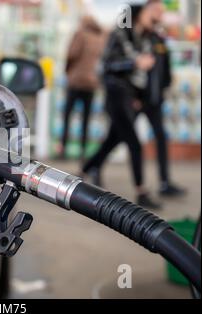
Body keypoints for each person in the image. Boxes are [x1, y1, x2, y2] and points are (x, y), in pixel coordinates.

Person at [82, 0, 186, 198]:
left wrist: (153, 89)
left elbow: (158, 70)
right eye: (154, 12)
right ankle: (140, 190)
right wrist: (134, 63)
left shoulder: (150, 37)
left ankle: (86, 171)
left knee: (118, 140)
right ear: (140, 12)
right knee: (127, 142)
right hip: (121, 96)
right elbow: (109, 66)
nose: (157, 17)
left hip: (141, 97)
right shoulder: (122, 34)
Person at [58, 15, 105, 160]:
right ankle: (83, 150)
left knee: (68, 115)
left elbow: (72, 54)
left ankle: (63, 148)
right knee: (86, 117)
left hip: (76, 81)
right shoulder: (100, 38)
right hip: (91, 83)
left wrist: (67, 71)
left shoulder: (80, 34)